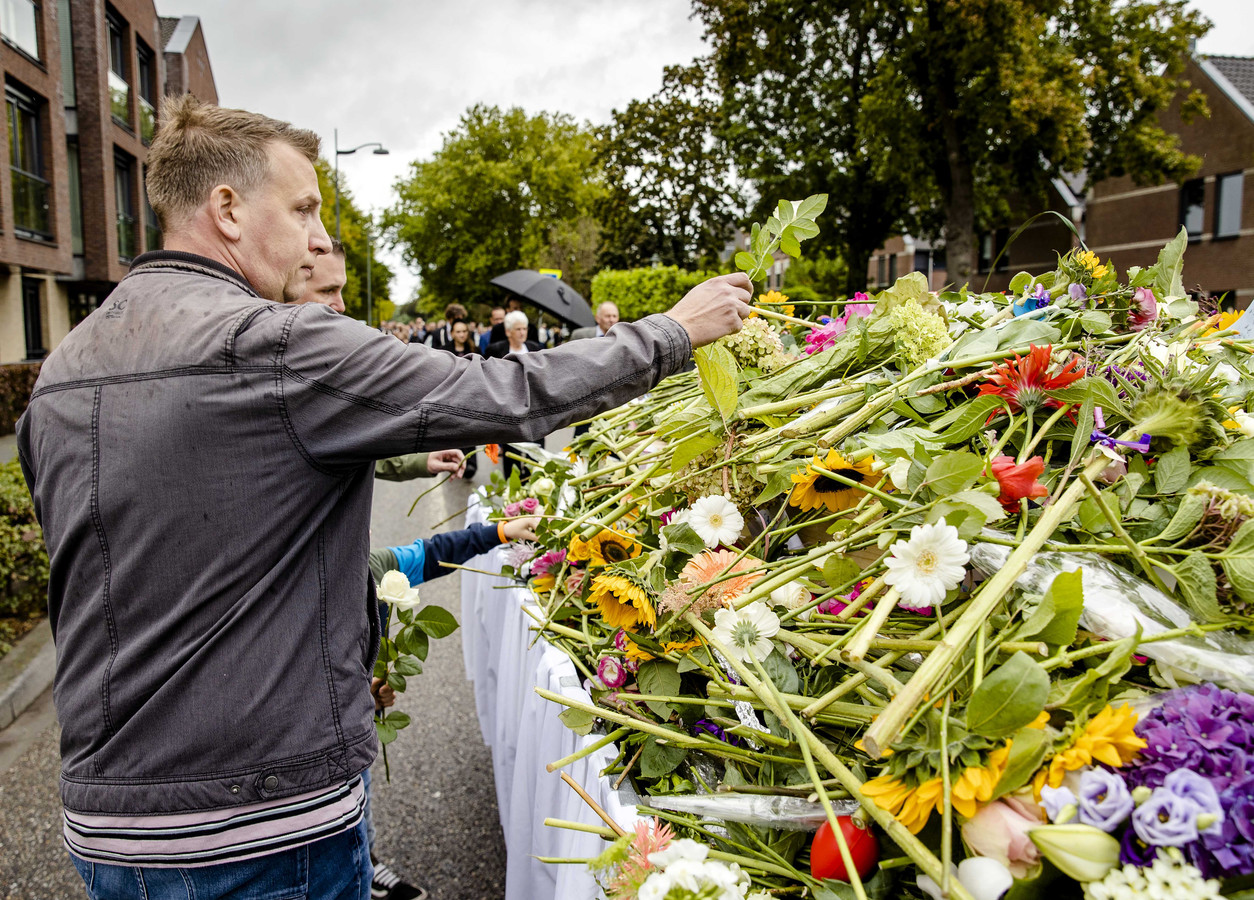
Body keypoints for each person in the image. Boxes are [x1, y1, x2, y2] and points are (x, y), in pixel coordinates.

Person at [18, 94, 751, 898]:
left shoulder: (62, 370)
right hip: (257, 828)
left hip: (104, 824)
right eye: (302, 208)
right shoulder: (274, 342)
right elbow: (499, 392)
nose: (320, 237)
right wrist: (673, 331)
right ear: (226, 208)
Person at [485, 311, 545, 480]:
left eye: (524, 328)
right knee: (512, 453)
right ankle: (513, 491)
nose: (522, 332)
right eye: (518, 329)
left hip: (535, 408)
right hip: (509, 409)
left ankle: (535, 487)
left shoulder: (535, 348)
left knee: (537, 453)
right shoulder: (496, 350)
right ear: (508, 331)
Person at [447, 319, 482, 479]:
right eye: (458, 331)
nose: (461, 335)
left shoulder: (475, 349)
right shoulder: (444, 351)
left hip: (471, 394)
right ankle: (457, 461)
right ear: (452, 333)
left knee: (470, 428)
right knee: (455, 430)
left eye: (464, 331)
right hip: (452, 395)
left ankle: (471, 462)